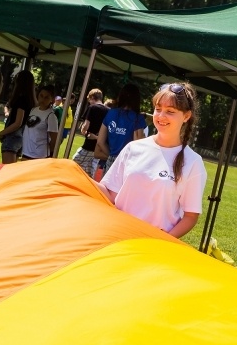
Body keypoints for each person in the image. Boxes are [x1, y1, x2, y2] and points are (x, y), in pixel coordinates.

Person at [97, 82, 206, 238]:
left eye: (170, 111)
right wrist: (72, 173)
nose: (161, 116)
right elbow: (111, 194)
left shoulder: (193, 162)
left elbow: (191, 216)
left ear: (186, 116)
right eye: (158, 109)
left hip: (151, 248)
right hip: (115, 238)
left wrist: (163, 240)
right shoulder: (133, 148)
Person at [96, 83, 147, 174]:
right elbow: (137, 145)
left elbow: (100, 141)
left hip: (110, 160)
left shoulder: (111, 113)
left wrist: (111, 155)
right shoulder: (137, 118)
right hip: (127, 163)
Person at [0, 70, 34, 164]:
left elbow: (18, 122)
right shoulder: (31, 100)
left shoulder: (21, 100)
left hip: (13, 137)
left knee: (7, 172)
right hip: (21, 137)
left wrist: (2, 133)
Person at [72, 87, 109, 177]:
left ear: (92, 97)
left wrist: (83, 131)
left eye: (89, 99)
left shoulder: (92, 107)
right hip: (100, 148)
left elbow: (85, 126)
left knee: (74, 162)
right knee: (90, 172)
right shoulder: (109, 111)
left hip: (89, 145)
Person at [21, 84, 58, 160]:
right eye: (41, 96)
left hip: (39, 155)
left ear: (52, 99)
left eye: (46, 97)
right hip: (26, 152)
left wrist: (50, 154)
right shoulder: (33, 110)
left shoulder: (51, 116)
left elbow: (54, 139)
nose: (43, 99)